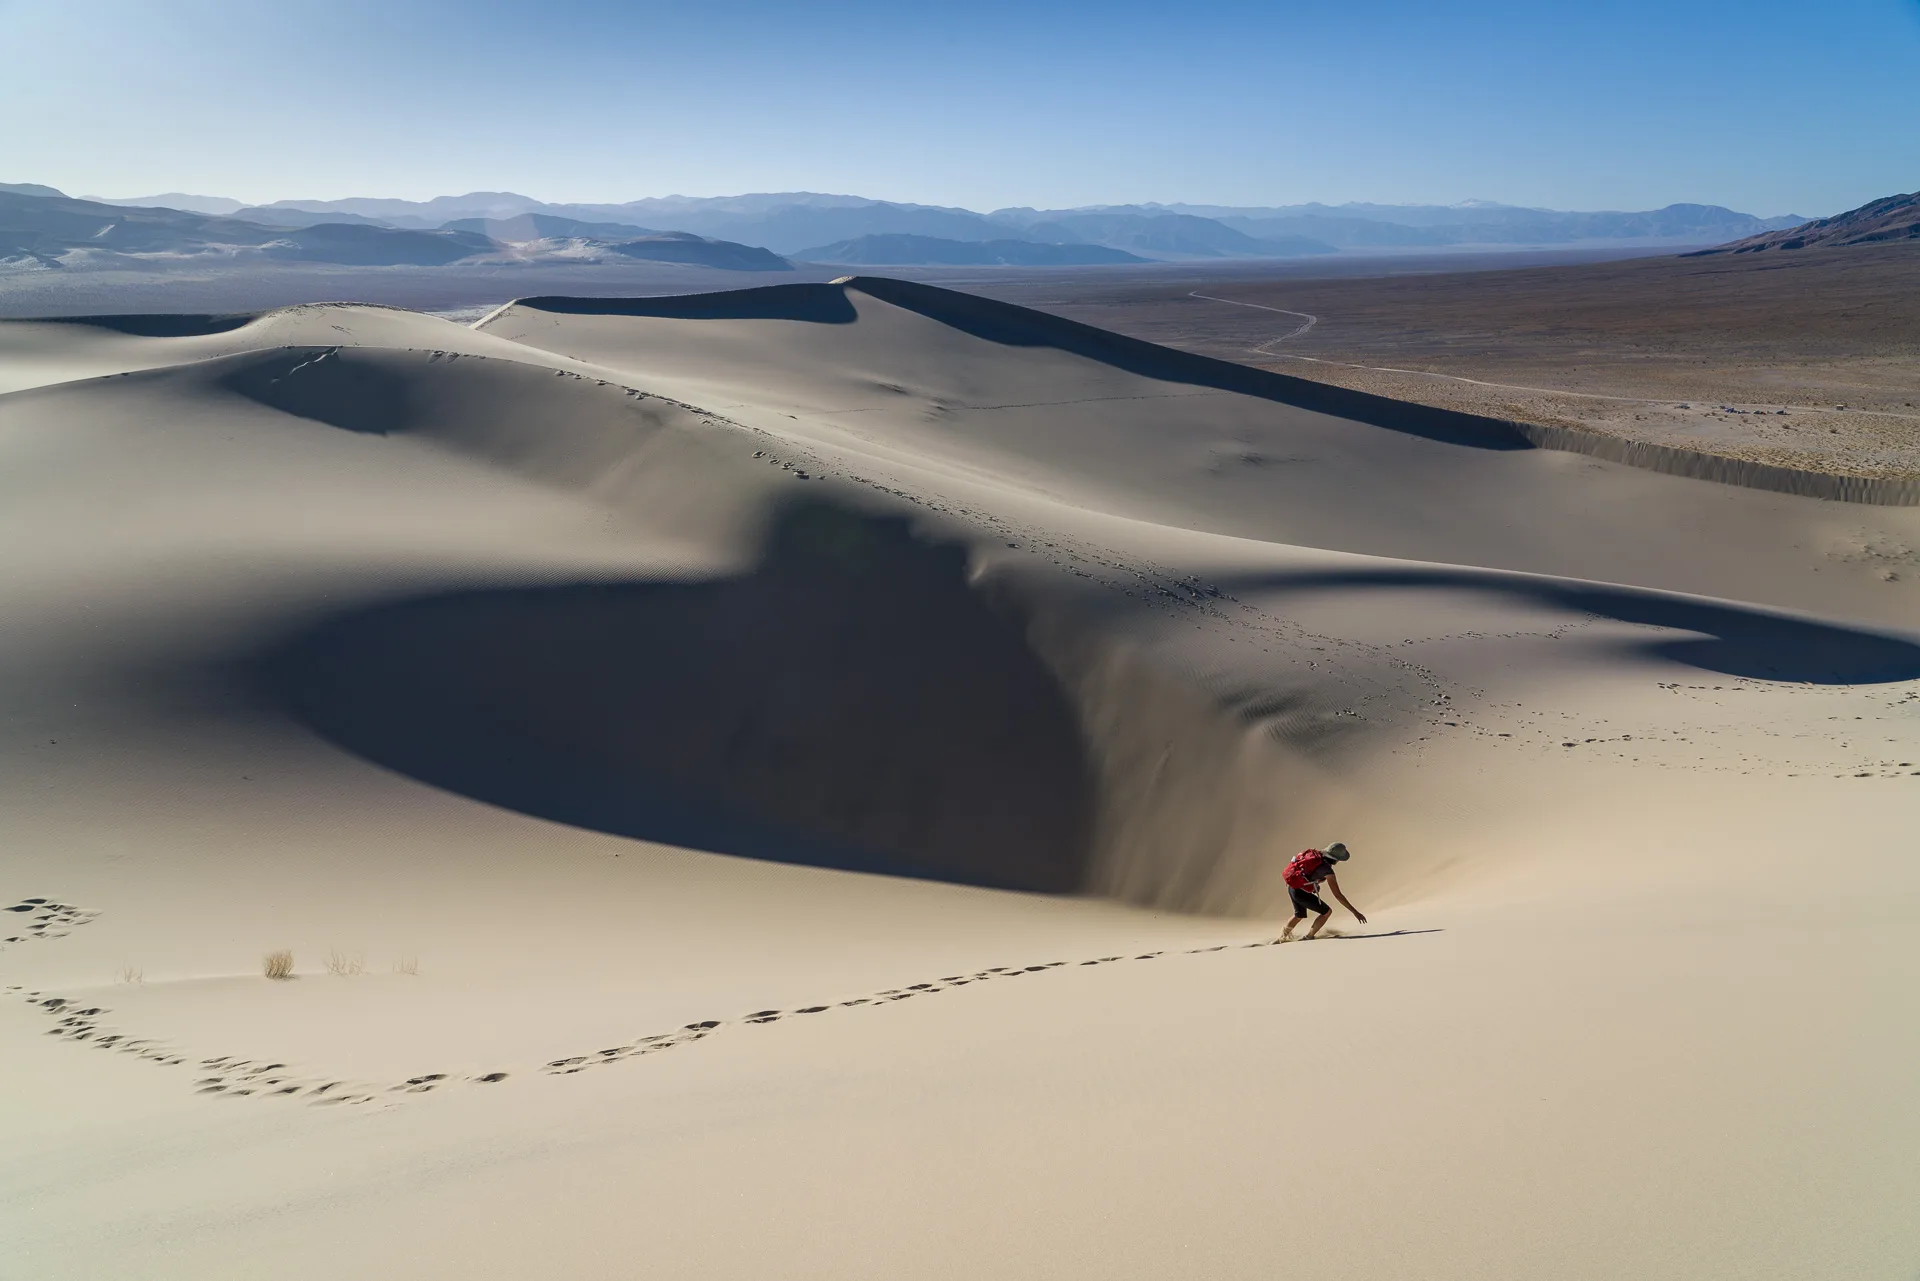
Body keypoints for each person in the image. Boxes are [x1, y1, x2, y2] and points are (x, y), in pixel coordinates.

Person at [1281, 842, 1366, 940]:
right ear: (1336, 859)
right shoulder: (1328, 871)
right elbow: (1338, 895)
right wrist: (1355, 912)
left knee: (1299, 915)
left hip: (1292, 886)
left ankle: (1281, 938)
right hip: (1300, 892)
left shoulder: (1316, 856)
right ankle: (1309, 936)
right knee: (1327, 912)